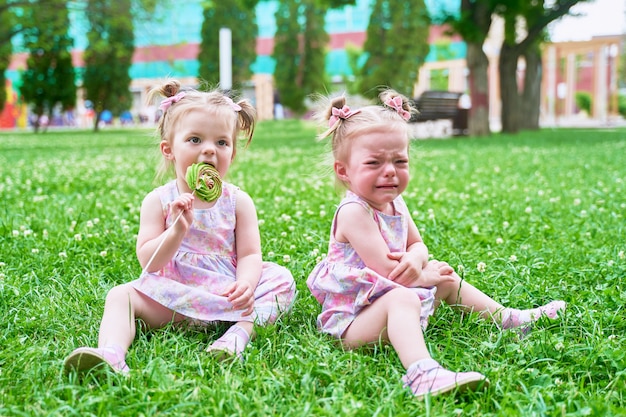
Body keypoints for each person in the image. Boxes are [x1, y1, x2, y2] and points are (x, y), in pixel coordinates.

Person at [306, 90, 566, 399]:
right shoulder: (353, 212)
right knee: (404, 298)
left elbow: (418, 245)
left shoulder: (396, 202)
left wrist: (419, 260)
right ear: (344, 171)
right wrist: (423, 275)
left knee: (443, 279)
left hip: (387, 296)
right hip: (354, 320)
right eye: (374, 162)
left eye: (399, 160)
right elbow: (387, 272)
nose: (389, 170)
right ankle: (422, 374)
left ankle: (508, 319)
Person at [65, 79, 296, 374]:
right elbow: (148, 262)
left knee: (281, 280)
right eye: (195, 140)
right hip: (175, 297)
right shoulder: (158, 201)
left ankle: (236, 336)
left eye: (222, 142)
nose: (210, 151)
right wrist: (176, 230)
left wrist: (246, 286)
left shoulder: (238, 201)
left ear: (233, 153)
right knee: (120, 295)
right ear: (169, 149)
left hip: (224, 297)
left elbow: (251, 255)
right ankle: (111, 353)